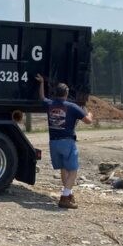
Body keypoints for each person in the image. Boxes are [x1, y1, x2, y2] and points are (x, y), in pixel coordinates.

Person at [35, 74, 93, 209]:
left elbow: (42, 97)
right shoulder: (72, 107)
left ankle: (69, 193)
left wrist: (41, 83)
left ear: (56, 93)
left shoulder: (50, 104)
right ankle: (65, 197)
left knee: (64, 168)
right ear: (66, 93)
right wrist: (90, 113)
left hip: (53, 143)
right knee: (73, 170)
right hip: (67, 142)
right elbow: (88, 121)